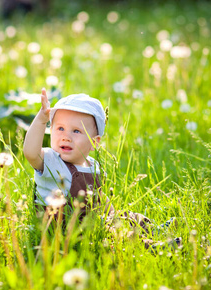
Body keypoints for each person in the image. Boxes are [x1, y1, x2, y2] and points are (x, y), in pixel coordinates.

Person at [23, 88, 179, 248]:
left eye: (76, 131)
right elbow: (30, 153)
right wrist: (42, 119)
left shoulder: (93, 165)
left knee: (127, 217)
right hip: (65, 231)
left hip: (91, 221)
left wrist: (113, 214)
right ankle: (151, 246)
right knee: (114, 234)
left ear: (94, 142)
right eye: (60, 128)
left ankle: (154, 230)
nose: (66, 136)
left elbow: (99, 197)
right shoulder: (51, 161)